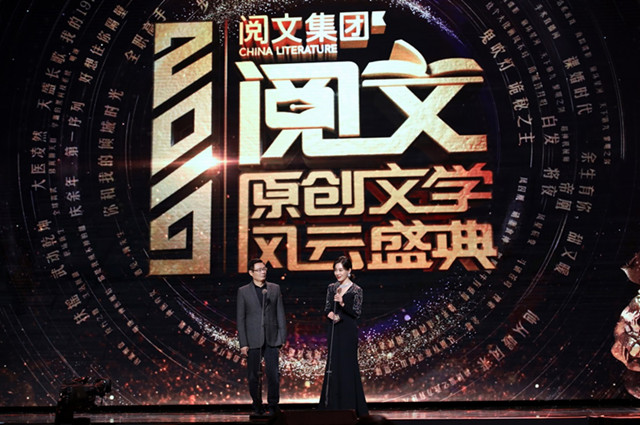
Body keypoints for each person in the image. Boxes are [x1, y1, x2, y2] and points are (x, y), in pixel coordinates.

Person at [319, 255, 368, 416]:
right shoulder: (332, 287)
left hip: (348, 331)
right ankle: (332, 406)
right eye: (335, 270)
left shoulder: (357, 290)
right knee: (333, 365)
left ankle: (350, 406)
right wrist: (331, 315)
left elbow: (356, 313)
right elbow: (327, 308)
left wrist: (342, 303)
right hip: (335, 330)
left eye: (341, 270)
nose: (337, 273)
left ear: (349, 270)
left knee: (347, 366)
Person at [237, 258, 286, 416]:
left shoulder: (274, 288)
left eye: (264, 269)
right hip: (253, 340)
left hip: (272, 338)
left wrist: (282, 337)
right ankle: (257, 405)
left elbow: (280, 314)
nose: (263, 272)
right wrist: (243, 343)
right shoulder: (243, 291)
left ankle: (273, 405)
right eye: (259, 270)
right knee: (254, 377)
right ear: (251, 273)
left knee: (274, 375)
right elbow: (241, 319)